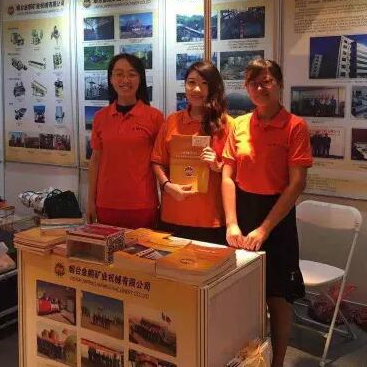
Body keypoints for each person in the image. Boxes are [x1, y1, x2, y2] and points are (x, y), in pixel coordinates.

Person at [221, 59, 313, 367]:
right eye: (253, 83)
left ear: (279, 84)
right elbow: (227, 176)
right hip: (243, 211)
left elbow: (297, 184)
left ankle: (278, 362)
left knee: (278, 296)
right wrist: (232, 223)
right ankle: (248, 360)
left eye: (266, 81)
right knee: (241, 293)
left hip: (278, 217)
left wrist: (264, 229)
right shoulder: (239, 125)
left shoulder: (295, 126)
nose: (259, 88)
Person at [151, 61, 233, 244]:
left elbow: (236, 170)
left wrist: (218, 166)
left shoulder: (227, 125)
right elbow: (157, 161)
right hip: (173, 214)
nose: (197, 89)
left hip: (211, 218)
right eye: (191, 82)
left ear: (214, 87)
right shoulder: (172, 121)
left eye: (204, 83)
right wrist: (167, 186)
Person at [87, 54, 164, 228]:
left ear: (140, 79)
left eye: (132, 74)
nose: (125, 80)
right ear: (111, 79)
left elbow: (161, 163)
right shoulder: (100, 117)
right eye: (119, 74)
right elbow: (95, 161)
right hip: (106, 204)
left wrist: (166, 203)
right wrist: (90, 201)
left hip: (143, 205)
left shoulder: (154, 117)